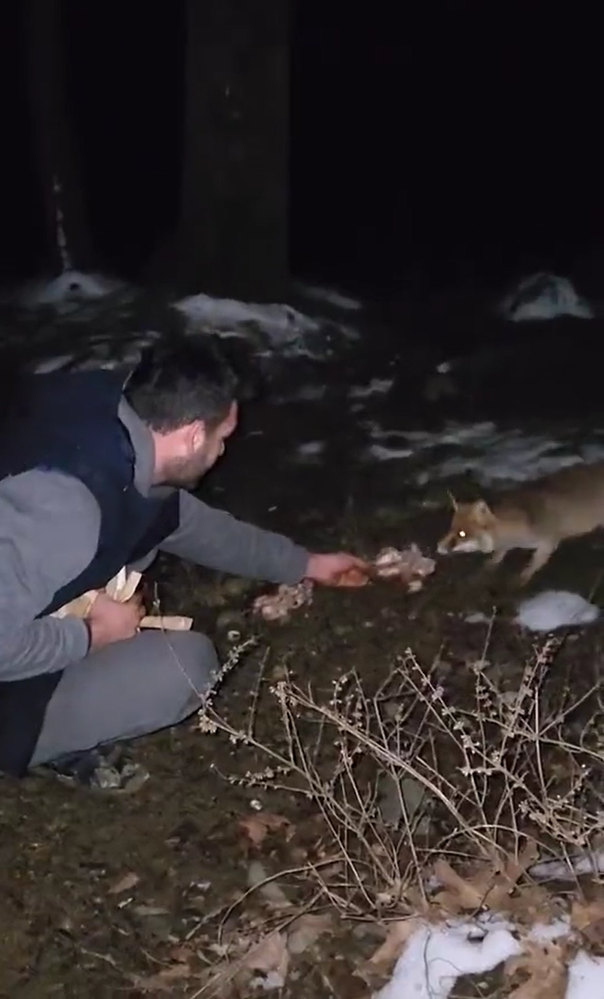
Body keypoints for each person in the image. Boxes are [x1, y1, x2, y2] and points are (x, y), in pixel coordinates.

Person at [0, 339, 366, 792]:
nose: (222, 452)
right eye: (222, 438)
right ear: (194, 434)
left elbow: (195, 528)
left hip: (25, 610)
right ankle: (41, 743)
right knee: (184, 667)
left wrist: (306, 563)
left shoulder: (120, 439)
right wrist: (93, 635)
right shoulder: (64, 505)